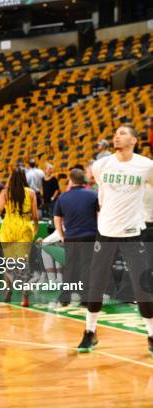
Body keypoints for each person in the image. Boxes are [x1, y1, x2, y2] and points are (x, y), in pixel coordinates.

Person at [77, 125, 153, 355]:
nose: (116, 136)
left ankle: (151, 334)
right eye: (115, 133)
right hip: (106, 231)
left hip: (133, 232)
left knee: (143, 287)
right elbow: (103, 197)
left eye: (122, 133)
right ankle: (90, 332)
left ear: (134, 139)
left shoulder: (146, 166)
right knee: (96, 284)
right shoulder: (101, 165)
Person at [0, 167, 39, 307]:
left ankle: (7, 292)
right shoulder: (31, 193)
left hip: (8, 227)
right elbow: (35, 215)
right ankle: (24, 296)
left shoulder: (5, 192)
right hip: (24, 227)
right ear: (24, 178)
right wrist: (36, 226)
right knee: (23, 263)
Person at [53, 168, 98, 305]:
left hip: (71, 237)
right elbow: (99, 215)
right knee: (86, 267)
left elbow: (57, 218)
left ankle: (65, 297)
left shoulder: (63, 197)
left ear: (71, 181)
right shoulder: (93, 195)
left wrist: (62, 235)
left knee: (70, 267)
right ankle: (85, 298)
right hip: (89, 236)